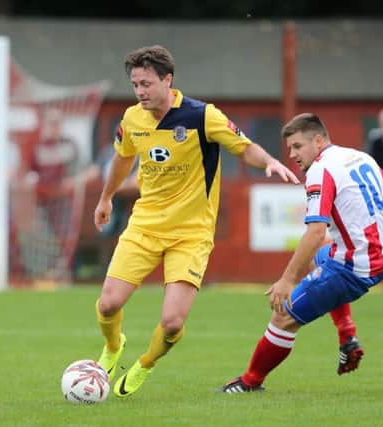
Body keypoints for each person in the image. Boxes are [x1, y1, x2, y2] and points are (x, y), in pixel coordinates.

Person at [92, 45, 300, 399]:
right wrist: (106, 197)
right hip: (145, 225)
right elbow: (123, 158)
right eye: (135, 84)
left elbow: (243, 147)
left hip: (190, 235)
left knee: (172, 323)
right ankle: (113, 348)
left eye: (146, 83)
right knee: (108, 304)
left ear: (167, 80)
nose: (140, 91)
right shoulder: (132, 119)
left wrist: (268, 161)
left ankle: (146, 362)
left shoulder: (203, 116)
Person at [221, 113, 383, 393]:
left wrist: (287, 280)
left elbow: (315, 230)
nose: (292, 154)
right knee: (320, 254)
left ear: (318, 141)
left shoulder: (320, 170)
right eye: (289, 148)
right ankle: (347, 337)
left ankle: (250, 382)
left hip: (355, 267)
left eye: (297, 147)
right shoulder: (359, 156)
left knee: (284, 317)